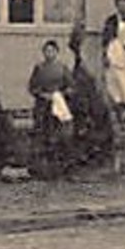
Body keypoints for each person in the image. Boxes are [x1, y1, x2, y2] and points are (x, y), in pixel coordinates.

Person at [28, 39, 74, 176]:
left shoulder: (62, 68)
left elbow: (71, 86)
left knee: (59, 134)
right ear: (43, 53)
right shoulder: (39, 68)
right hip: (43, 106)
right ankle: (42, 168)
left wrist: (60, 94)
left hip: (58, 106)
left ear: (57, 52)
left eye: (52, 51)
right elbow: (32, 87)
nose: (49, 54)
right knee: (42, 134)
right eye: (47, 51)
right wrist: (43, 95)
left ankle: (60, 167)